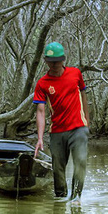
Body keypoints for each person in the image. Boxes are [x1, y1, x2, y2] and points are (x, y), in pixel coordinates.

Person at [33, 42, 90, 203]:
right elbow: (40, 111)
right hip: (57, 130)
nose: (55, 64)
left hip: (78, 127)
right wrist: (39, 138)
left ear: (63, 60)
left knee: (80, 161)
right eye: (51, 61)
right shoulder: (42, 83)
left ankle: (76, 197)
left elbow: (84, 95)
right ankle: (60, 197)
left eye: (57, 60)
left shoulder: (75, 74)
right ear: (46, 61)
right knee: (57, 169)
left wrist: (87, 121)